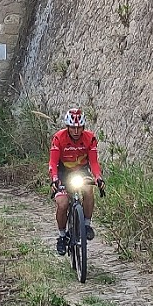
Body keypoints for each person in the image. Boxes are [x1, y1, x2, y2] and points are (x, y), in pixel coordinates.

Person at [48, 106, 104, 255]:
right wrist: (54, 179)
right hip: (63, 172)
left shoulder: (90, 138)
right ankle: (61, 236)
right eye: (73, 128)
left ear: (83, 126)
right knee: (63, 203)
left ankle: (86, 225)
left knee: (88, 189)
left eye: (79, 127)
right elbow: (53, 163)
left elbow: (94, 163)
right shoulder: (59, 138)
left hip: (81, 170)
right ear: (67, 126)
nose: (76, 131)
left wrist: (98, 177)